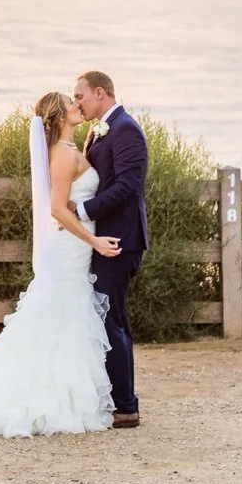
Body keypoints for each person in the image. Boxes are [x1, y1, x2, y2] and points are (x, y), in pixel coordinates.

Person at [0, 90, 120, 436]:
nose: (77, 106)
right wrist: (94, 239)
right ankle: (46, 399)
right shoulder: (63, 155)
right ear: (59, 116)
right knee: (63, 310)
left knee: (68, 313)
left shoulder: (70, 150)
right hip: (70, 247)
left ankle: (66, 395)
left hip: (74, 248)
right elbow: (57, 209)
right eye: (71, 103)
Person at [73, 70, 150, 429]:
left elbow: (128, 187)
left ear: (99, 92)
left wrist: (83, 211)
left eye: (81, 96)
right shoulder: (100, 128)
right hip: (102, 239)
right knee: (108, 318)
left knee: (110, 319)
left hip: (120, 239)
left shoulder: (125, 128)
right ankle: (117, 401)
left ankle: (126, 407)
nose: (77, 103)